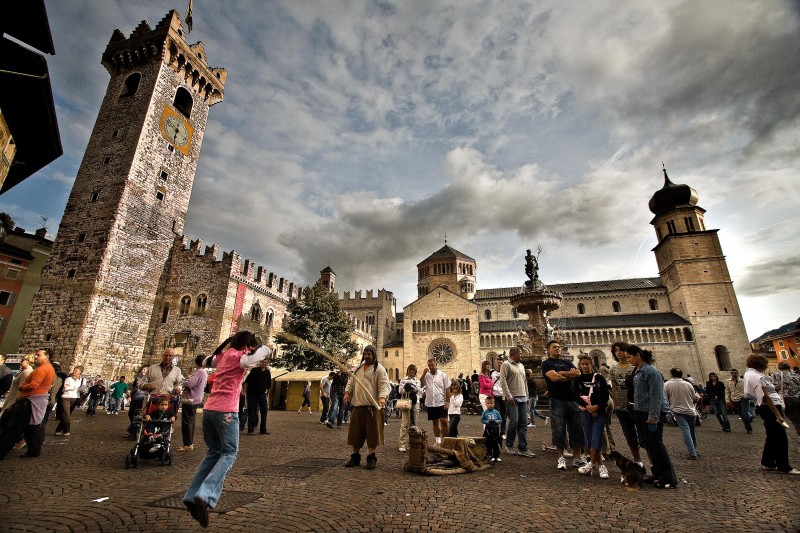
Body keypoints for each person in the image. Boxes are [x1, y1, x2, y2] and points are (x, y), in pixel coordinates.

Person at [183, 331, 272, 528]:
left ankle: (191, 496)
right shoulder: (239, 358)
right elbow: (253, 359)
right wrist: (266, 348)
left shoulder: (222, 356)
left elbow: (205, 360)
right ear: (247, 347)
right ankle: (204, 495)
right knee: (230, 453)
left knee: (214, 452)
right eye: (251, 347)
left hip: (209, 411)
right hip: (227, 412)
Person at [626, 344, 677, 489]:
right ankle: (658, 474)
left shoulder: (651, 372)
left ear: (638, 355)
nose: (628, 359)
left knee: (656, 444)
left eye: (630, 357)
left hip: (652, 413)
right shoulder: (638, 371)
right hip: (641, 411)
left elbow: (656, 396)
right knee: (650, 444)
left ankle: (668, 478)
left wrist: (653, 416)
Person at [744, 354, 799, 475]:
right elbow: (765, 397)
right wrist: (778, 415)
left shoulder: (751, 374)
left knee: (772, 435)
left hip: (768, 407)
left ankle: (767, 462)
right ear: (761, 364)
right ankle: (784, 465)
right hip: (771, 407)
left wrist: (774, 388)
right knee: (780, 436)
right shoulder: (755, 376)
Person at [0, 349, 55, 459]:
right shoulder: (48, 368)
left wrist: (21, 388)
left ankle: (1, 452)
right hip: (35, 399)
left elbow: (34, 385)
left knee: (16, 428)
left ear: (46, 357)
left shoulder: (42, 369)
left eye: (38, 355)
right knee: (31, 427)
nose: (36, 357)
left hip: (31, 400)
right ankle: (34, 450)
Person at [343, 345, 389, 470]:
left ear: (374, 355)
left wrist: (382, 397)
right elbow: (351, 382)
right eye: (365, 354)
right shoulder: (358, 369)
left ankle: (371, 457)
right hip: (358, 406)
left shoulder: (379, 369)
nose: (367, 356)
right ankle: (355, 457)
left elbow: (384, 384)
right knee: (355, 434)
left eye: (369, 354)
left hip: (372, 408)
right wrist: (347, 393)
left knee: (372, 434)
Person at [541, 340, 585, 470]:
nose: (558, 348)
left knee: (577, 429)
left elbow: (577, 374)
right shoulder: (546, 363)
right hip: (557, 400)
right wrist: (569, 375)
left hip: (572, 400)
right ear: (548, 349)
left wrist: (561, 374)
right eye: (554, 347)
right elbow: (554, 378)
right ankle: (560, 458)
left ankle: (577, 458)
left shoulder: (567, 362)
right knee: (558, 429)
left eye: (559, 347)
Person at [574, 355, 609, 478]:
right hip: (585, 412)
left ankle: (592, 464)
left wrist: (596, 406)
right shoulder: (578, 379)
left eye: (587, 364)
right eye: (582, 364)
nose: (585, 366)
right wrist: (588, 407)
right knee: (590, 439)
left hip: (599, 413)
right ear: (580, 365)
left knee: (596, 437)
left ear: (591, 365)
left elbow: (605, 395)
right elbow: (575, 395)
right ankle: (600, 466)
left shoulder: (599, 378)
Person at [501, 346, 536, 457]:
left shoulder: (521, 365)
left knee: (523, 422)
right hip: (512, 398)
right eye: (520, 353)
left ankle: (523, 447)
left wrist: (527, 396)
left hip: (522, 397)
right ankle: (509, 445)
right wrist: (508, 396)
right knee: (514, 421)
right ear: (514, 354)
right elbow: (503, 381)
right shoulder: (506, 364)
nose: (522, 355)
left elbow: (525, 382)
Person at [664, 368, 700, 459]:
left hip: (677, 410)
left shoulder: (667, 384)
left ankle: (692, 453)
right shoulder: (688, 384)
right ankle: (694, 449)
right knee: (691, 430)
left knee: (685, 430)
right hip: (691, 410)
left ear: (671, 374)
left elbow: (664, 398)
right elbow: (694, 397)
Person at [179, 355, 208, 451]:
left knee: (187, 422)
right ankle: (189, 442)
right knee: (190, 421)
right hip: (196, 399)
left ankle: (187, 444)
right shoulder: (204, 372)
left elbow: (189, 384)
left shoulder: (199, 372)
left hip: (190, 399)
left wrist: (184, 380)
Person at [421, 358, 451, 445]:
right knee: (435, 422)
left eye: (432, 365)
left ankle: (445, 441)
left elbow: (447, 389)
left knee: (444, 421)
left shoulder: (443, 375)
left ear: (436, 365)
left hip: (441, 402)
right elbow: (421, 384)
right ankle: (438, 440)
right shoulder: (426, 376)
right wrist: (423, 374)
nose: (431, 367)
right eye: (429, 366)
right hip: (430, 402)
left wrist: (447, 402)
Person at [773, 362, 800, 440]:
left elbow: (775, 387)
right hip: (799, 397)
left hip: (788, 399)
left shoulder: (777, 375)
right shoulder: (795, 374)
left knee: (796, 420)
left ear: (779, 367)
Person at [244, 359, 271, 435]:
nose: (264, 364)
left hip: (262, 394)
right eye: (263, 362)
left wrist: (267, 394)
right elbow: (247, 381)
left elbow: (269, 385)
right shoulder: (254, 370)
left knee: (264, 411)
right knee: (252, 411)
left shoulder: (267, 372)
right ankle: (250, 430)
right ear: (260, 363)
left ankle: (263, 430)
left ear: (267, 364)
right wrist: (245, 391)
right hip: (252, 394)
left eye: (266, 362)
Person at [397, 364, 420, 452]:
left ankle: (412, 443)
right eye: (410, 371)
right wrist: (407, 389)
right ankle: (402, 444)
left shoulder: (417, 381)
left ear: (415, 372)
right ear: (408, 371)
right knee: (405, 423)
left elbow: (418, 390)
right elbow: (400, 391)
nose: (412, 372)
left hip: (415, 403)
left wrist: (411, 388)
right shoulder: (403, 380)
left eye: (413, 371)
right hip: (406, 402)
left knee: (414, 424)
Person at [55, 366, 84, 435]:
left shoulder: (82, 380)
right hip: (66, 397)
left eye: (76, 371)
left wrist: (74, 388)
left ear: (80, 372)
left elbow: (82, 388)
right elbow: (66, 387)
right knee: (66, 413)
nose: (74, 372)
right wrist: (75, 387)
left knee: (66, 414)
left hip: (75, 398)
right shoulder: (68, 379)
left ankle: (58, 429)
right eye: (74, 370)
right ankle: (66, 430)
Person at [726, 368, 753, 434]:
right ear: (730, 374)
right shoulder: (728, 381)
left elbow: (748, 389)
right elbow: (727, 391)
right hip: (734, 399)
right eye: (732, 373)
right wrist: (727, 400)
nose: (733, 374)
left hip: (743, 398)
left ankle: (749, 429)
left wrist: (746, 395)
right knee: (741, 415)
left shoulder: (743, 381)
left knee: (744, 414)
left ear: (737, 373)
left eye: (735, 373)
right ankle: (748, 424)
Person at [490, 357, 508, 440]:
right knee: (497, 414)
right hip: (496, 396)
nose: (499, 364)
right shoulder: (492, 373)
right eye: (498, 363)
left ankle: (503, 432)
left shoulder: (506, 372)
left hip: (504, 396)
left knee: (504, 415)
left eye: (501, 363)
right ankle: (496, 432)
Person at [481, 396, 503, 462]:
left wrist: (496, 421)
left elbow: (500, 420)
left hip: (495, 428)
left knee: (496, 442)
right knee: (488, 442)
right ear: (485, 404)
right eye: (488, 403)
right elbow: (482, 420)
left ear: (494, 403)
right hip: (488, 428)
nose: (490, 404)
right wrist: (487, 422)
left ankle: (496, 455)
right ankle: (489, 455)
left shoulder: (496, 412)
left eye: (491, 403)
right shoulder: (485, 412)